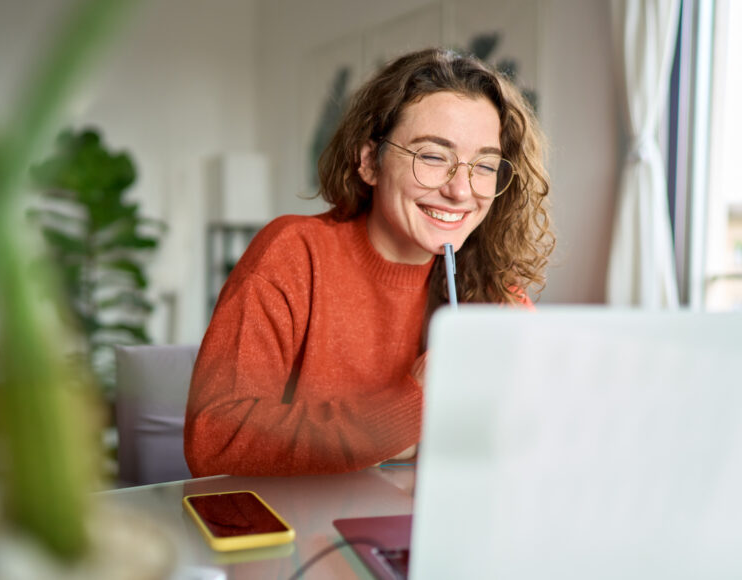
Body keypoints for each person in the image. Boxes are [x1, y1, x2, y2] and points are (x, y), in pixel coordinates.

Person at [184, 47, 554, 477]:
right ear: (369, 162)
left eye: (484, 165)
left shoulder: (492, 285)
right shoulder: (292, 254)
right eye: (433, 156)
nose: (461, 190)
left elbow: (535, 435)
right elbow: (214, 439)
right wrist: (411, 406)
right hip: (299, 534)